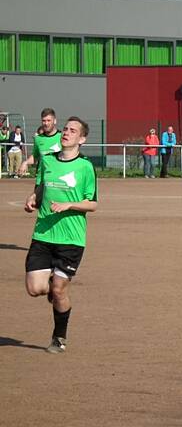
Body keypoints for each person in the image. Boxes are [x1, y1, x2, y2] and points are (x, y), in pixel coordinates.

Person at [23, 117, 98, 353]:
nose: (66, 132)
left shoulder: (85, 167)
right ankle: (53, 287)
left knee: (59, 289)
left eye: (72, 130)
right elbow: (40, 186)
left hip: (71, 239)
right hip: (43, 233)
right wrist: (33, 197)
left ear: (82, 139)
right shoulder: (47, 161)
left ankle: (59, 337)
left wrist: (69, 205)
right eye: (65, 128)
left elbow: (92, 204)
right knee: (35, 288)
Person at [19, 108, 63, 177]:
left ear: (55, 121)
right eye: (44, 121)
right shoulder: (38, 138)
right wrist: (25, 162)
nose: (46, 123)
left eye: (49, 120)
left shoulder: (63, 137)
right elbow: (35, 156)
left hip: (57, 180)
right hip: (41, 181)